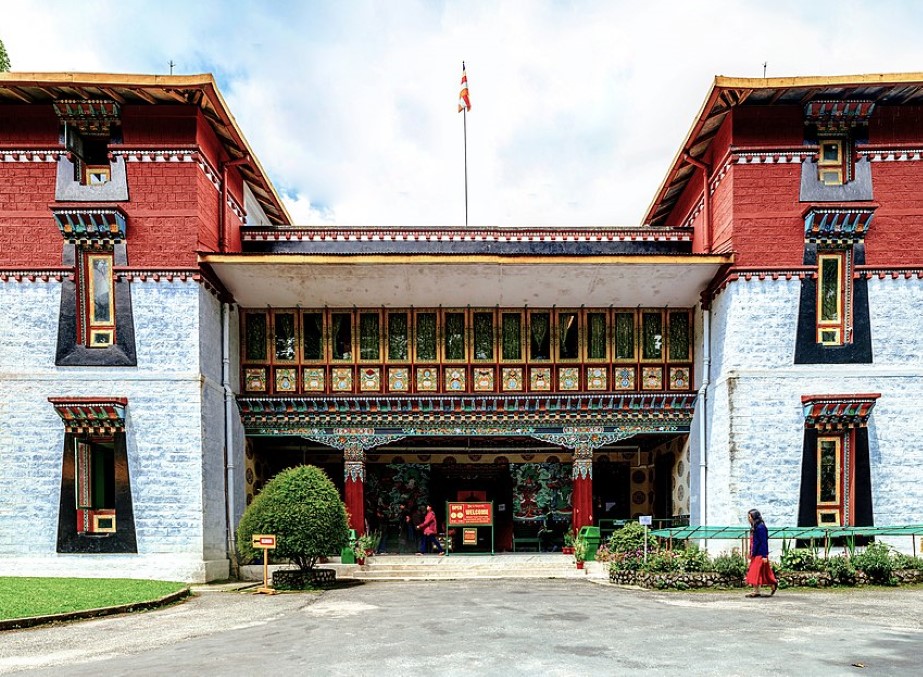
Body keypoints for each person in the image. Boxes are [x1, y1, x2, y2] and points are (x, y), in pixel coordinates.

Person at [745, 508, 778, 597]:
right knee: (760, 572)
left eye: (750, 517)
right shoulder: (754, 527)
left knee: (755, 572)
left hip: (760, 553)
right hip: (755, 553)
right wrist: (751, 552)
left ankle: (771, 584)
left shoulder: (761, 527)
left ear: (754, 517)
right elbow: (753, 542)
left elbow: (763, 542)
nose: (748, 519)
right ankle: (759, 590)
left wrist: (764, 555)